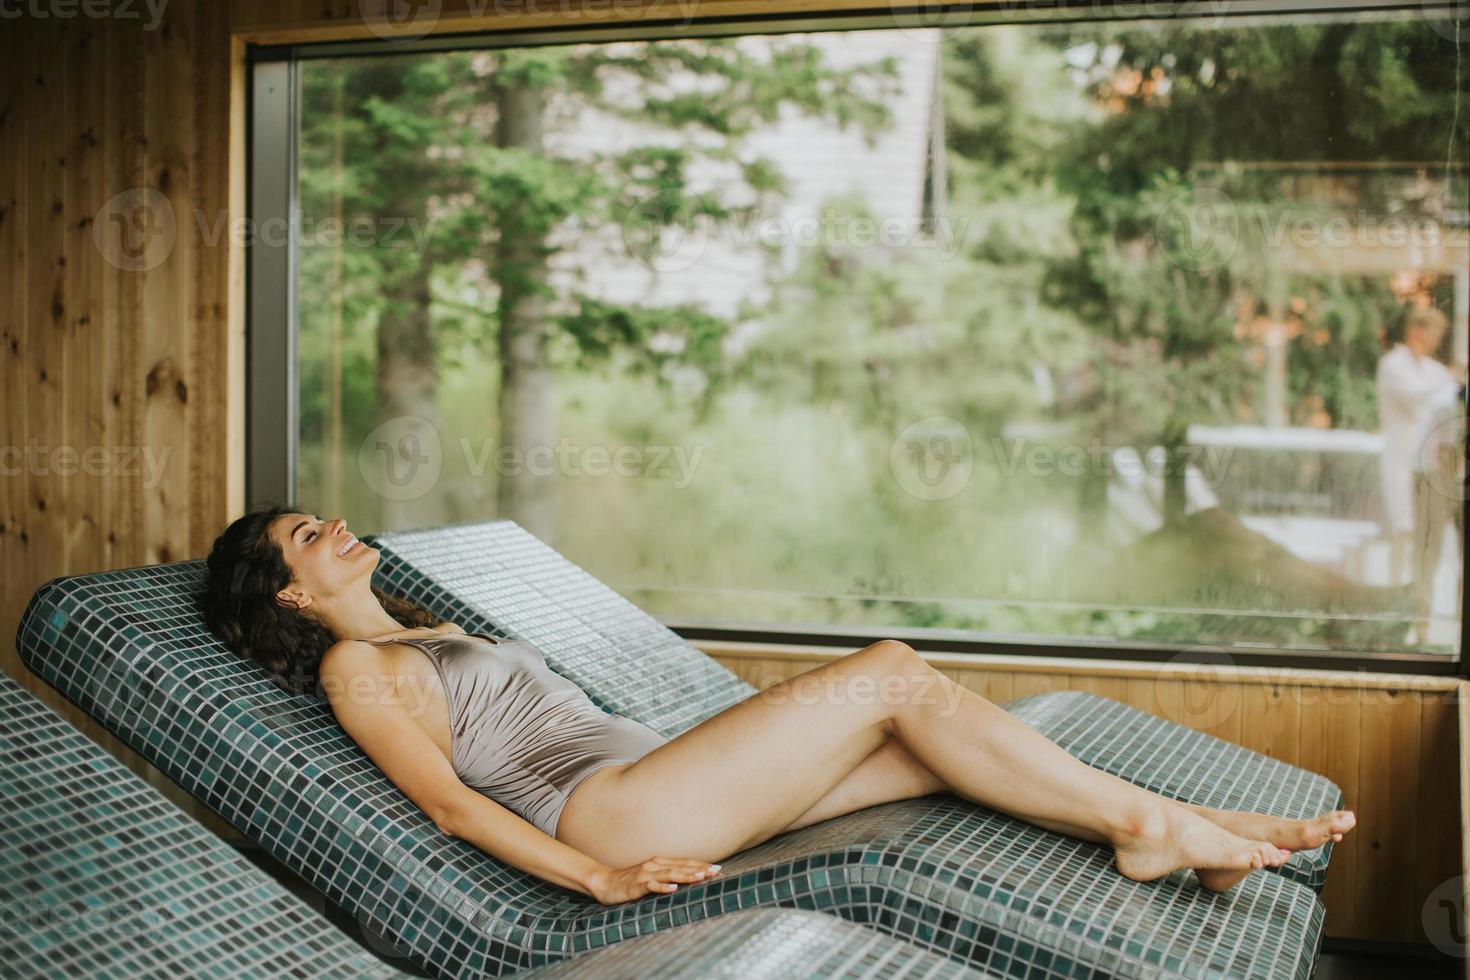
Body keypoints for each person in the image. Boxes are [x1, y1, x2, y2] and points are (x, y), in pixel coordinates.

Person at [203, 504, 1355, 906]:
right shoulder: (360, 671)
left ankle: (1187, 825)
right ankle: (1164, 829)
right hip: (618, 816)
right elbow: (450, 805)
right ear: (295, 594)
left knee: (944, 734)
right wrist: (600, 878)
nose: (337, 526)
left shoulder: (425, 629)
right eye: (311, 536)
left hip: (663, 779)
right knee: (894, 664)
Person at [1376, 306, 1463, 587]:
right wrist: (1450, 379)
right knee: (1402, 529)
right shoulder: (1393, 365)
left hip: (1429, 466)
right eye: (1433, 332)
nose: (1436, 340)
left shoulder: (1434, 370)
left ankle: (1416, 593)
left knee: (1426, 535)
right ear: (1416, 330)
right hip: (1400, 459)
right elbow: (1415, 397)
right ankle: (1394, 589)